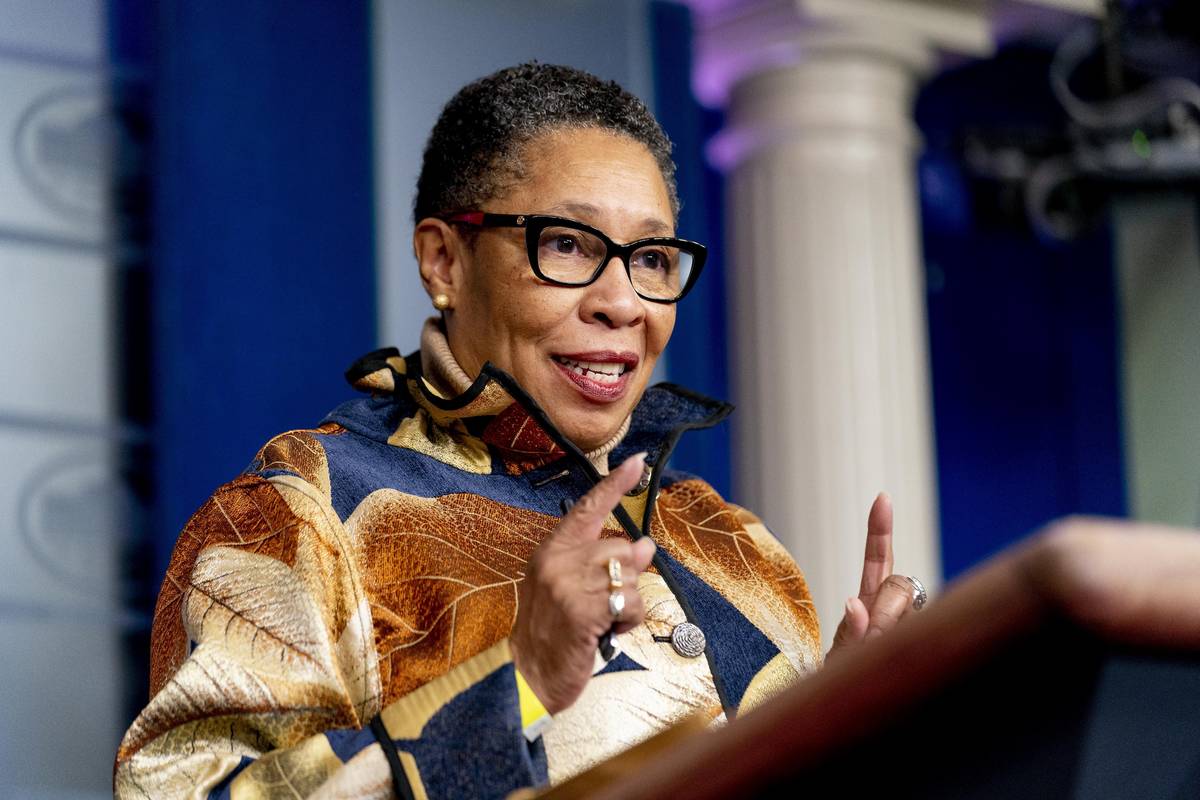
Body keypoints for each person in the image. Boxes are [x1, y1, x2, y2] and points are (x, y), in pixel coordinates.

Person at [114, 62, 922, 799]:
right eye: (567, 244)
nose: (625, 302)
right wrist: (521, 681)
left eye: (652, 259)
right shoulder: (301, 512)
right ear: (444, 262)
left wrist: (842, 727)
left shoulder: (732, 541)